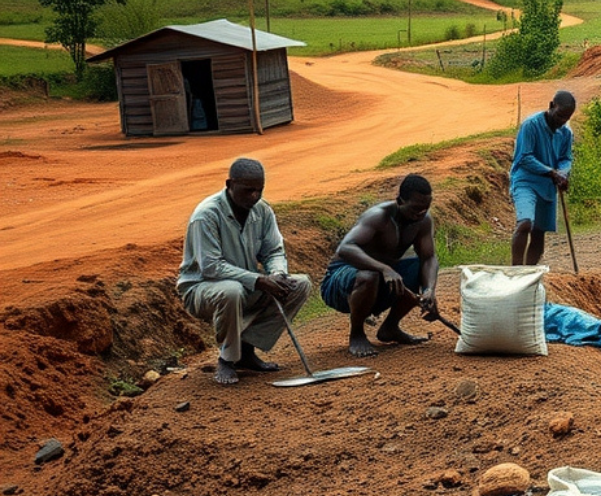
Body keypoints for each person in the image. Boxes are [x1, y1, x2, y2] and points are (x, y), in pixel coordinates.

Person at [177, 158, 312, 386]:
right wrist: (258, 280)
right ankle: (227, 359)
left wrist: (277, 274)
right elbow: (211, 267)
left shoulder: (262, 211)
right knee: (232, 291)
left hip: (246, 285)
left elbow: (274, 251)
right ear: (229, 184)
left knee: (300, 285)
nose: (254, 196)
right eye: (248, 190)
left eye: (259, 190)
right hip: (201, 288)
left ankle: (246, 352)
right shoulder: (206, 215)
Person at [320, 173, 441, 358]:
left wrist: (429, 290)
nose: (420, 214)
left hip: (381, 282)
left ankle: (390, 328)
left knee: (416, 267)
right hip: (342, 281)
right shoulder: (378, 217)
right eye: (416, 209)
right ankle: (357, 334)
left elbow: (429, 258)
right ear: (400, 201)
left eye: (426, 208)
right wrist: (384, 268)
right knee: (370, 275)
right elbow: (346, 248)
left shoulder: (423, 221)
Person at [510, 90, 575, 266]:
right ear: (551, 106)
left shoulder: (566, 133)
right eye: (560, 115)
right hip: (526, 182)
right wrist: (552, 172)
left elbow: (566, 158)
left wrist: (563, 173)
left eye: (566, 118)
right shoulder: (531, 125)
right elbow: (524, 157)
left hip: (547, 187)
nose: (562, 121)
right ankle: (516, 272)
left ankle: (528, 275)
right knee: (525, 223)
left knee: (539, 232)